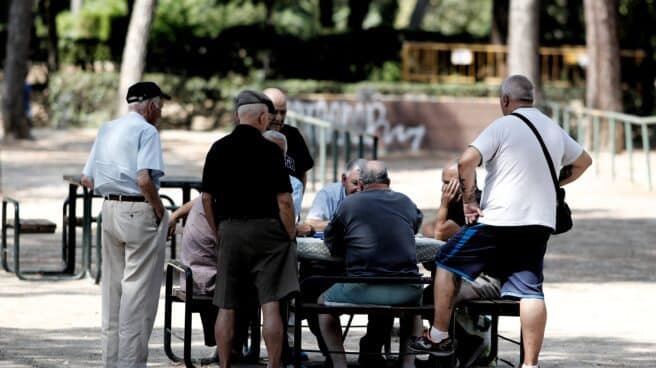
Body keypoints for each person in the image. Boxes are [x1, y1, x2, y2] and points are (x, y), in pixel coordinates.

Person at [408, 75, 592, 368]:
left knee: (445, 261)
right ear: (532, 99)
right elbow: (584, 162)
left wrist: (469, 201)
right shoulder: (552, 128)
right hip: (539, 222)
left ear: (505, 101)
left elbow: (466, 161)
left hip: (499, 220)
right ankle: (530, 364)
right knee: (530, 290)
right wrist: (553, 179)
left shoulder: (503, 126)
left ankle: (439, 334)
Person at [201, 90, 298, 368]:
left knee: (226, 303)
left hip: (230, 230)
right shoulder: (270, 150)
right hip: (268, 232)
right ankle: (274, 365)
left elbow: (206, 198)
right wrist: (289, 233)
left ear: (237, 117)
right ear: (263, 117)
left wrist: (218, 229)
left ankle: (224, 364)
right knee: (271, 303)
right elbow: (284, 201)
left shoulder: (218, 148)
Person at [80, 81, 170, 368]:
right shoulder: (147, 131)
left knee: (112, 291)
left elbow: (87, 178)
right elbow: (144, 179)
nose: (161, 112)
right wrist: (158, 208)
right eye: (160, 106)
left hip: (109, 209)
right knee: (137, 295)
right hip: (138, 210)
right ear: (151, 105)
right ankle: (130, 365)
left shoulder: (107, 128)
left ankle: (111, 362)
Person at [319, 161, 424, 368]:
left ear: (362, 183)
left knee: (322, 303)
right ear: (389, 181)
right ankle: (408, 364)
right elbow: (414, 226)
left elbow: (332, 243)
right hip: (407, 290)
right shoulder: (406, 202)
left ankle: (339, 364)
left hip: (362, 288)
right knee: (414, 308)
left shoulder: (349, 204)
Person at [263, 87, 314, 189]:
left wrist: (298, 201)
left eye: (283, 112)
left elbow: (302, 172)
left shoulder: (293, 135)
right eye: (274, 112)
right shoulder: (251, 136)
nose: (279, 118)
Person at [304, 158, 368, 232]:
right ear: (344, 179)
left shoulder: (375, 193)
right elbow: (310, 223)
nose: (359, 190)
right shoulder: (328, 194)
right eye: (355, 183)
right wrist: (346, 224)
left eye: (364, 185)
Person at [262, 130, 304, 220]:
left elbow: (290, 218)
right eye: (271, 149)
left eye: (280, 152)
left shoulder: (295, 184)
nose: (276, 155)